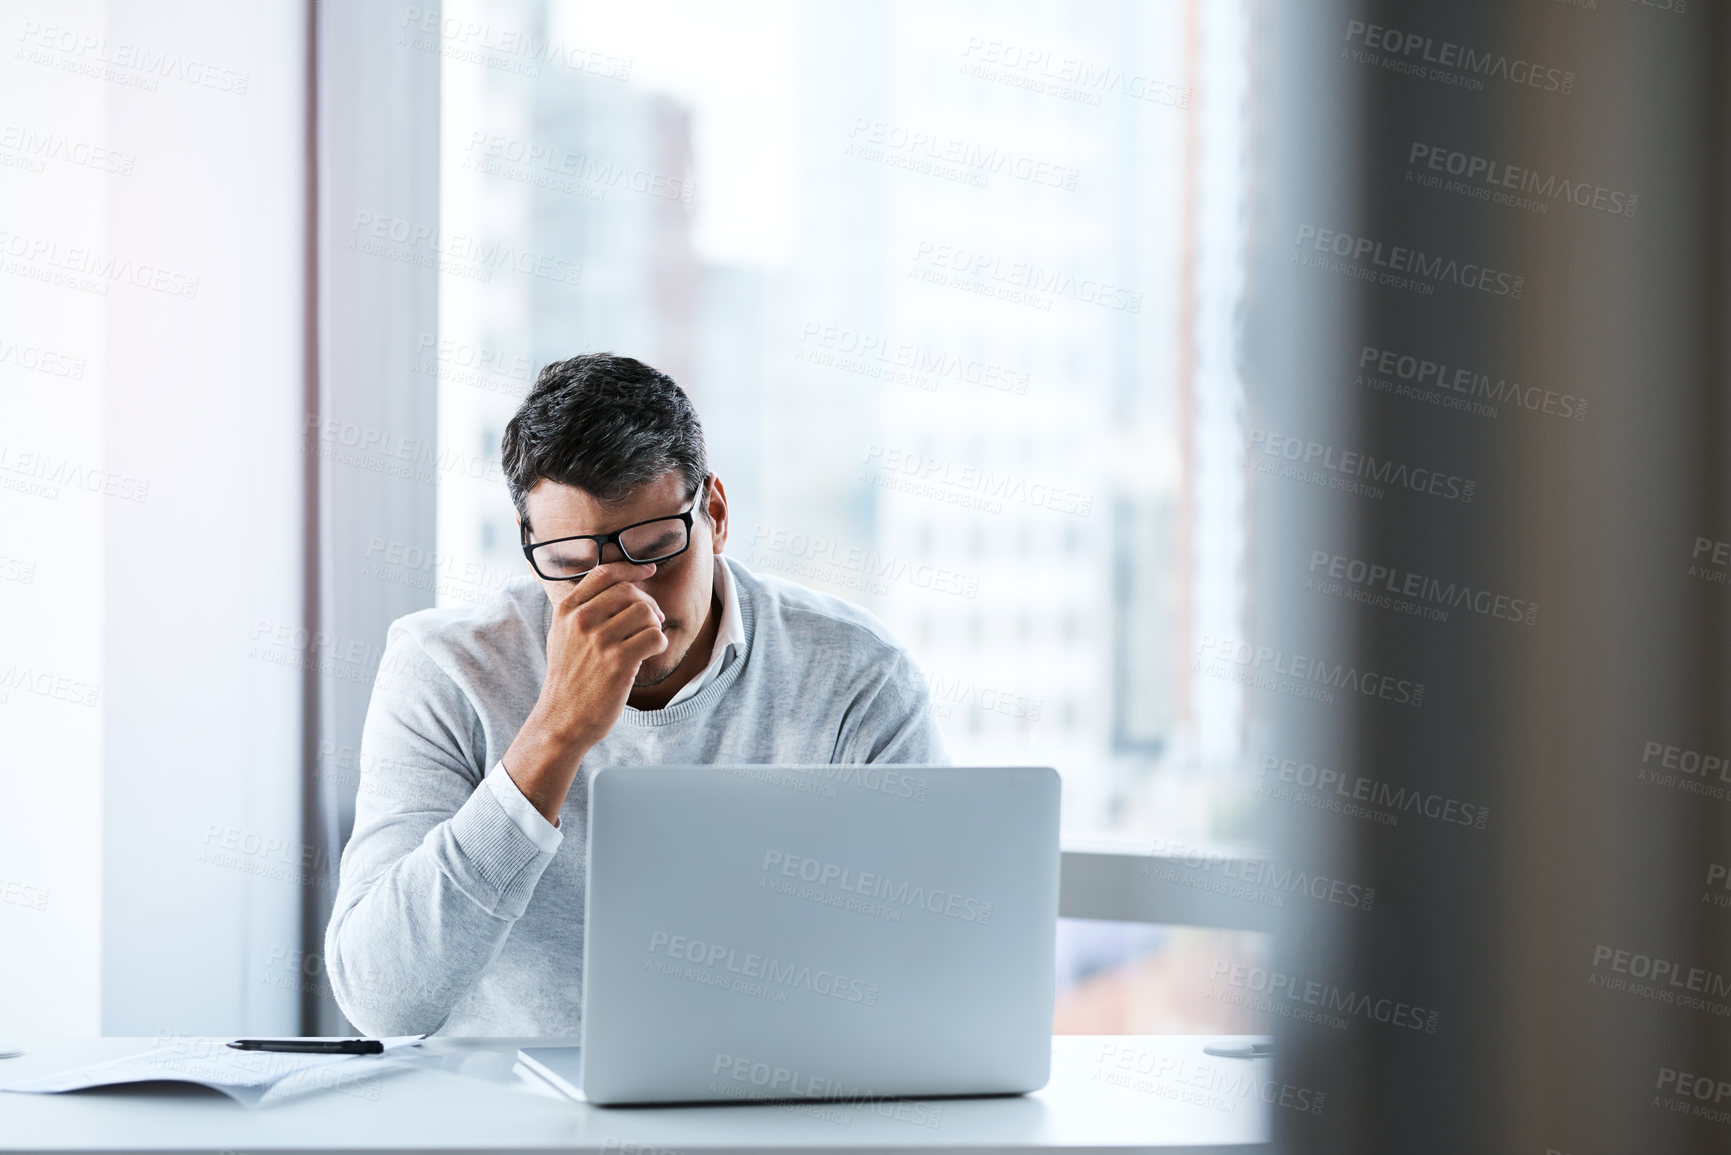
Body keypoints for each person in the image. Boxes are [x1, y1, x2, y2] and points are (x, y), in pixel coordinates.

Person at [324, 353, 947, 1036]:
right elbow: (382, 1000)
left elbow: (930, 976)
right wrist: (553, 734)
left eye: (655, 549)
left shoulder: (858, 676)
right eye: (571, 564)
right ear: (530, 546)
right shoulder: (444, 670)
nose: (625, 598)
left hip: (774, 1107)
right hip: (502, 1120)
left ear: (714, 512)